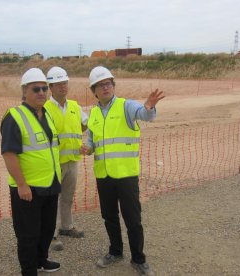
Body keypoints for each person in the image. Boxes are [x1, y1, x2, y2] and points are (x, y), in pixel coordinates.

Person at [80, 66, 164, 276]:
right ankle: (115, 252)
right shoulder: (94, 114)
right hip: (104, 175)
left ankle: (138, 259)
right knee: (109, 217)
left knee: (133, 219)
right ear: (94, 91)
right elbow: (92, 141)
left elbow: (144, 114)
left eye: (108, 83)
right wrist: (88, 149)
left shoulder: (126, 106)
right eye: (101, 85)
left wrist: (149, 107)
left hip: (126, 175)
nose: (105, 87)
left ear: (113, 86)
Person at [0, 68, 62, 276]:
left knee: (47, 229)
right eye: (36, 89)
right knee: (28, 233)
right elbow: (9, 153)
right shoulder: (14, 117)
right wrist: (22, 184)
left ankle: (41, 260)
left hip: (50, 184)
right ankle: (28, 270)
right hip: (29, 189)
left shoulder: (47, 115)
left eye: (45, 88)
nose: (42, 92)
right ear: (24, 91)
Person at [44, 66, 88, 251]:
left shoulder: (74, 107)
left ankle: (67, 227)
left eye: (65, 83)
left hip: (72, 160)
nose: (63, 87)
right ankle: (51, 235)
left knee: (68, 197)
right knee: (52, 199)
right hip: (54, 164)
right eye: (58, 84)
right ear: (50, 87)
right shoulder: (45, 109)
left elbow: (85, 124)